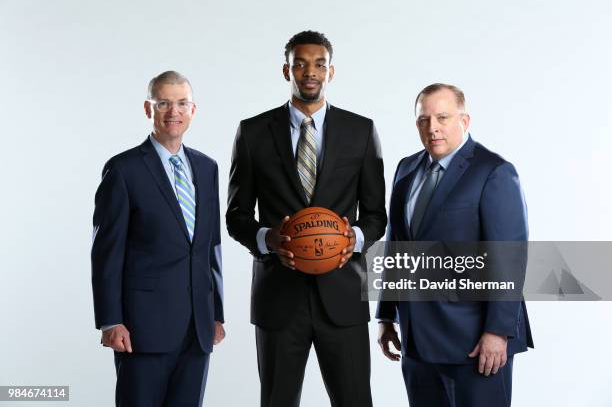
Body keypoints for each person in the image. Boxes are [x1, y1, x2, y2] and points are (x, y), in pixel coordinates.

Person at [226, 30, 386, 407]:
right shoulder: (252, 132)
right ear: (287, 70)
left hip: (343, 296)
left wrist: (354, 240)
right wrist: (268, 239)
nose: (309, 72)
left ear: (331, 72)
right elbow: (236, 216)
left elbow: (377, 215)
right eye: (300, 63)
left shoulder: (361, 131)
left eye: (319, 64)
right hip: (278, 299)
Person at [377, 83, 533, 406]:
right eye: (424, 119)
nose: (432, 128)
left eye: (443, 117)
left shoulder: (494, 172)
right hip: (418, 341)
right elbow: (395, 246)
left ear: (465, 121)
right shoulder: (406, 169)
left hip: (475, 343)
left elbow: (509, 258)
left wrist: (498, 331)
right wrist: (386, 315)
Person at [91, 71, 225, 406]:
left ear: (193, 110)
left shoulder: (207, 168)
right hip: (141, 329)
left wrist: (217, 313)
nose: (173, 111)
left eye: (181, 103)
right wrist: (111, 320)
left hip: (197, 328)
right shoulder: (124, 170)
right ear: (148, 109)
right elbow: (106, 252)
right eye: (163, 103)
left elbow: (211, 247)